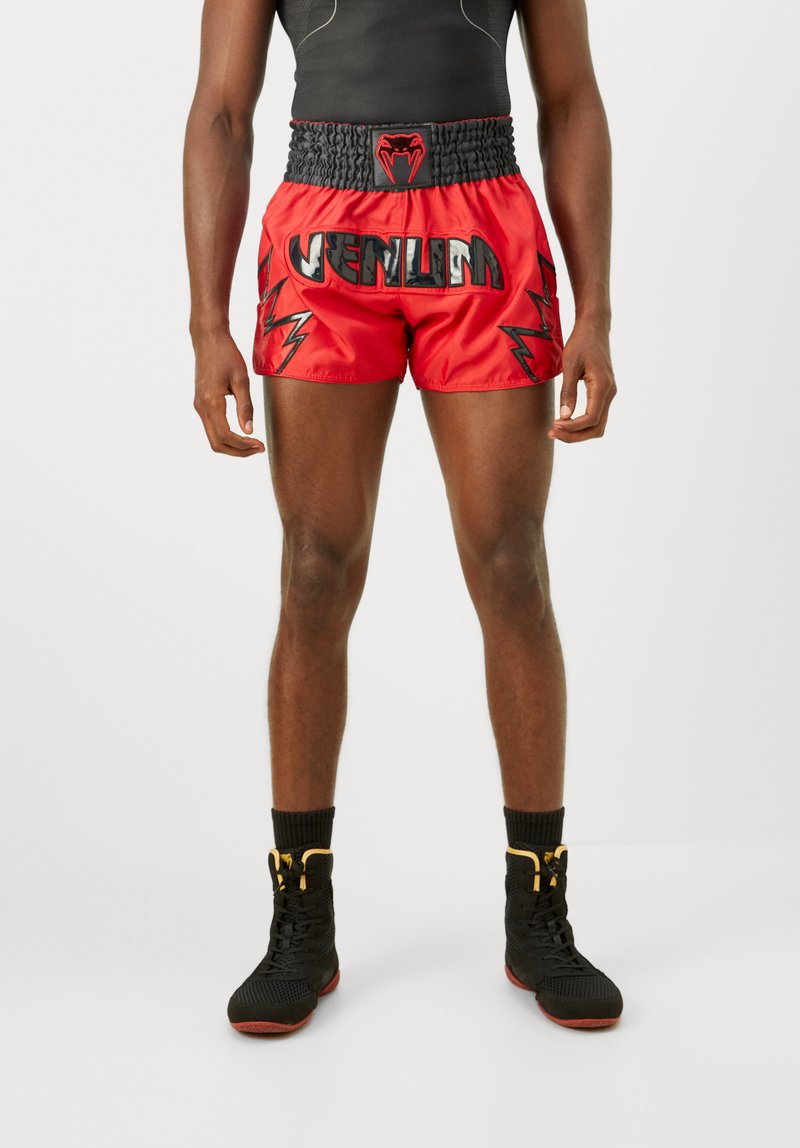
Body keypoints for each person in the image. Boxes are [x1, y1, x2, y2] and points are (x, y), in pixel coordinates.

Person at [183, 0, 621, 1034]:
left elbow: (569, 99)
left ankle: (538, 912)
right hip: (323, 225)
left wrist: (596, 309)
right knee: (313, 570)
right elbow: (222, 111)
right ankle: (300, 920)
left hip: (482, 221)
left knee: (510, 563)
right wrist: (206, 323)